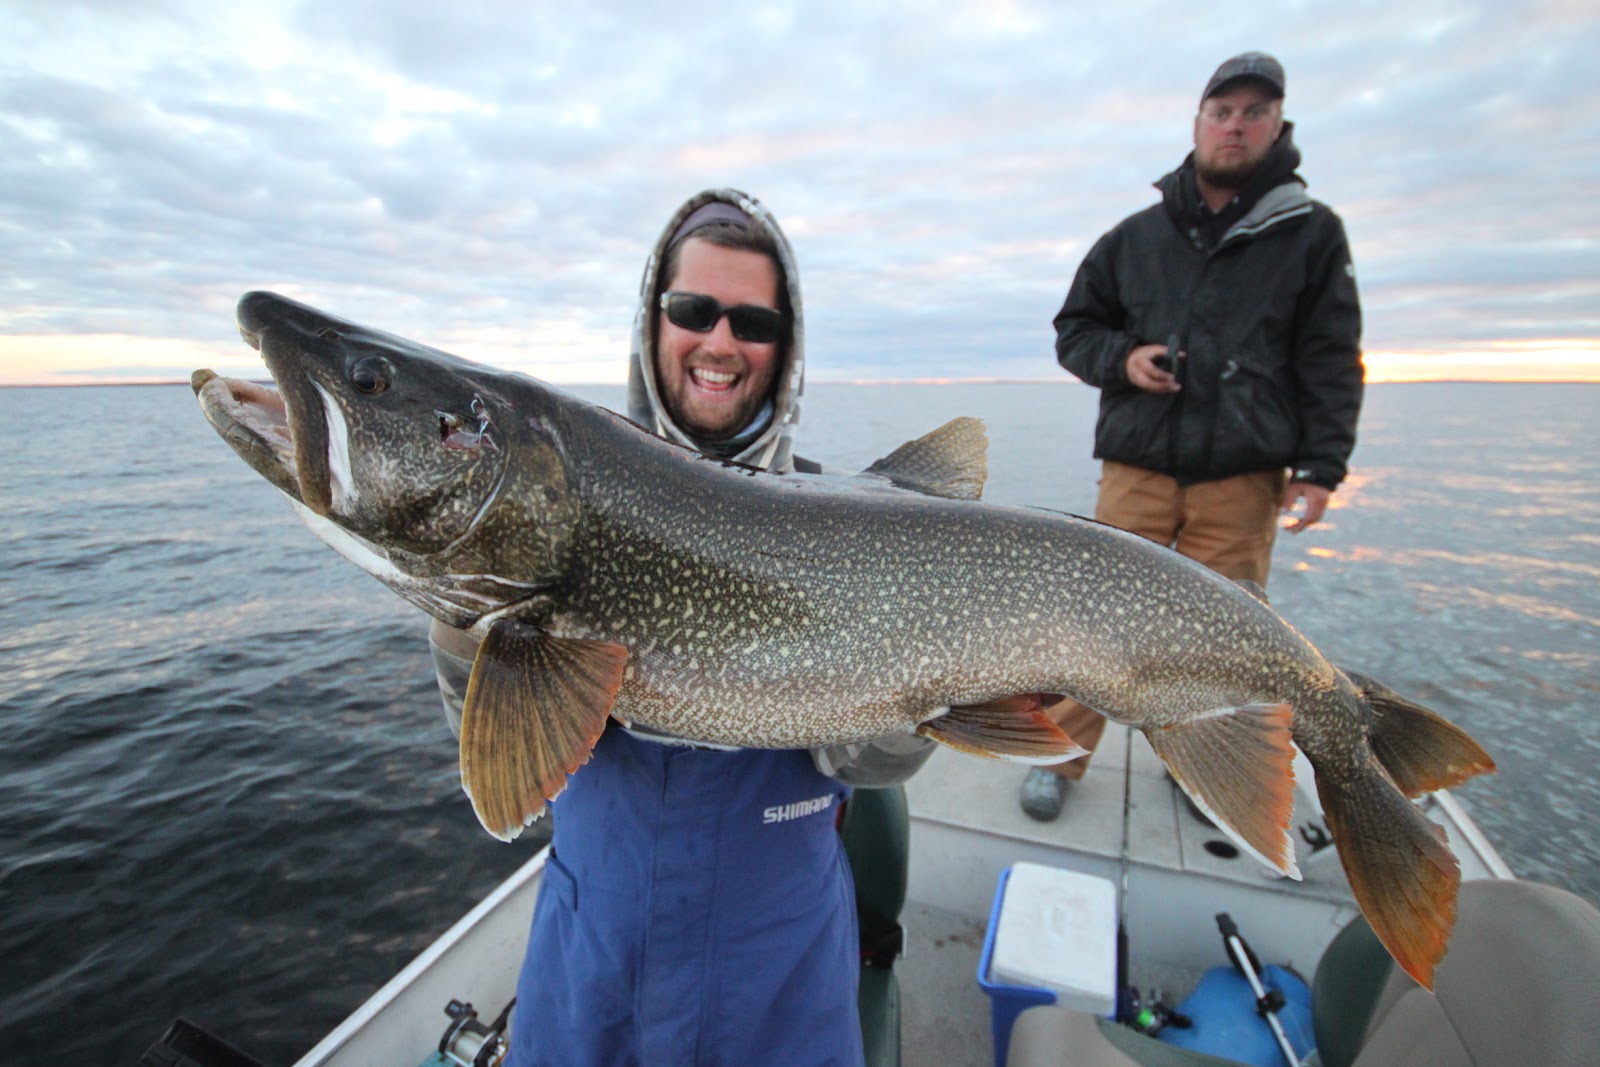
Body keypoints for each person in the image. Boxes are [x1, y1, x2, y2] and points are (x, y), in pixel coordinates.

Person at [429, 188, 935, 1066]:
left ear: (787, 344)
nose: (720, 341)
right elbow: (509, 769)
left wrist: (928, 693)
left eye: (754, 321)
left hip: (779, 976)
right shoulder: (559, 490)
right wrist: (464, 625)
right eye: (693, 310)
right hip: (592, 969)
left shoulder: (851, 524)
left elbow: (880, 765)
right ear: (652, 322)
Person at [1021, 52, 1364, 822]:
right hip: (1137, 465)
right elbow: (1074, 331)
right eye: (1222, 110)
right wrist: (1124, 359)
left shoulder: (1312, 236)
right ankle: (1061, 755)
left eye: (1254, 111)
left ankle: (1209, 768)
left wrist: (1321, 467)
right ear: (1198, 123)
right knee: (1087, 631)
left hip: (1243, 476)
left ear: (1279, 125)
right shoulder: (1133, 238)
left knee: (1231, 640)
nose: (1235, 125)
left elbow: (1331, 358)